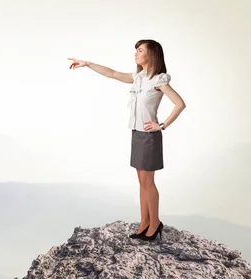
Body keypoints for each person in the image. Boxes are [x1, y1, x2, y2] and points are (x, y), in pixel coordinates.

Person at [68, 39, 186, 241]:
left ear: (152, 55)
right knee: (141, 182)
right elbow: (112, 73)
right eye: (136, 51)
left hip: (150, 137)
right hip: (137, 134)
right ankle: (144, 222)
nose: (136, 54)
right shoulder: (138, 78)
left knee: (148, 182)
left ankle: (155, 223)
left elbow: (179, 103)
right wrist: (87, 64)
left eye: (140, 50)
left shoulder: (159, 80)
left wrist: (162, 125)